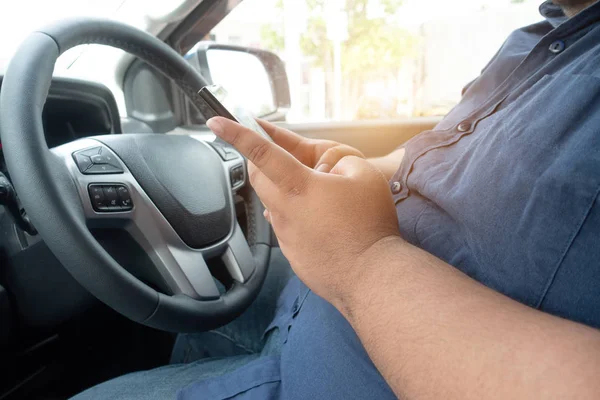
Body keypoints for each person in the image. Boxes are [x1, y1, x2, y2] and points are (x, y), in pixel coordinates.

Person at [74, 0, 600, 398]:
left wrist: (362, 262)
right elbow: (441, 152)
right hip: (312, 307)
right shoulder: (543, 34)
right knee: (193, 305)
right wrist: (352, 168)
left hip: (332, 374)